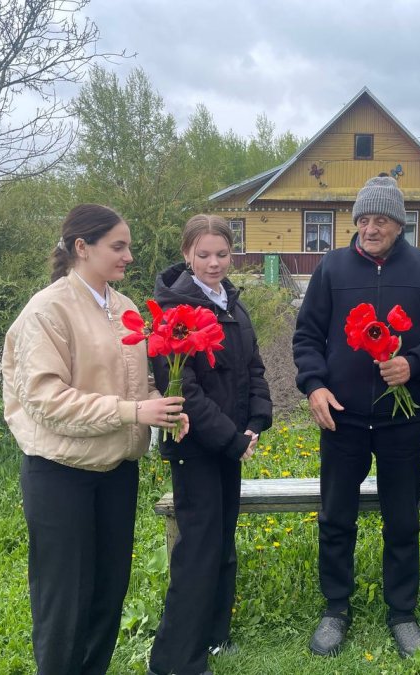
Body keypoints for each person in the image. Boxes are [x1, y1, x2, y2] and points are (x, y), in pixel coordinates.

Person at [2, 204, 188, 675]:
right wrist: (133, 412)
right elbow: (46, 400)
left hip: (115, 470)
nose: (129, 257)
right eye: (118, 246)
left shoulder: (124, 308)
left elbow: (135, 384)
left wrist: (160, 410)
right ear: (81, 248)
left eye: (129, 246)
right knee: (64, 600)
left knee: (109, 590)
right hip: (60, 475)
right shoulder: (47, 311)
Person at [293, 175, 420, 658]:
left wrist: (414, 363)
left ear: (399, 223)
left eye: (380, 219)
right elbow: (306, 337)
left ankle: (402, 613)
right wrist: (315, 385)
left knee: (402, 521)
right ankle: (336, 608)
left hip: (403, 421)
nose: (370, 228)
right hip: (342, 420)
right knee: (336, 518)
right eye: (363, 219)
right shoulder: (332, 268)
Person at [147, 214, 272, 675]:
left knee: (222, 543)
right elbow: (184, 391)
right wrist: (229, 439)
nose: (214, 263)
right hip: (197, 447)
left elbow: (254, 369)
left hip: (231, 445)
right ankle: (175, 659)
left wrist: (256, 420)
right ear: (186, 255)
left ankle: (215, 636)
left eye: (222, 254)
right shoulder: (174, 311)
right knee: (197, 550)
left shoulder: (232, 306)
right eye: (204, 255)